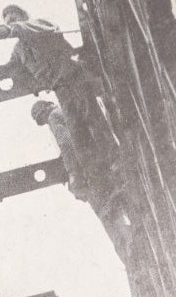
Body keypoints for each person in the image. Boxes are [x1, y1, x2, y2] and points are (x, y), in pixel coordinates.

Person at [0, 5, 112, 160]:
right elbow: (9, 69)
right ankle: (96, 174)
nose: (11, 24)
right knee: (77, 134)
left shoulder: (40, 24)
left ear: (23, 16)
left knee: (93, 120)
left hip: (75, 80)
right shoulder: (19, 49)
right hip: (60, 90)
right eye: (8, 23)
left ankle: (116, 160)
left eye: (13, 19)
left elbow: (21, 28)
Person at [30, 97, 132, 268]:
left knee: (108, 214)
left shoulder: (54, 117)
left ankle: (129, 253)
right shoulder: (71, 107)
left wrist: (73, 175)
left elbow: (67, 145)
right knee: (123, 203)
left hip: (92, 172)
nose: (45, 124)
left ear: (43, 113)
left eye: (42, 121)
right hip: (108, 162)